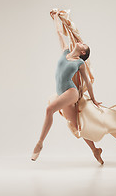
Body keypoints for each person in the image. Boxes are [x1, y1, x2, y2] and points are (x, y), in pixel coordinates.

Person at [31, 10, 104, 164]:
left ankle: (39, 144)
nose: (79, 42)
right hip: (61, 93)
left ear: (82, 51)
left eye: (82, 44)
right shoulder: (65, 51)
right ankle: (95, 150)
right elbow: (59, 32)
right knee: (76, 126)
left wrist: (94, 99)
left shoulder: (80, 63)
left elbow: (88, 82)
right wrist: (56, 16)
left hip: (71, 93)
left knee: (49, 109)